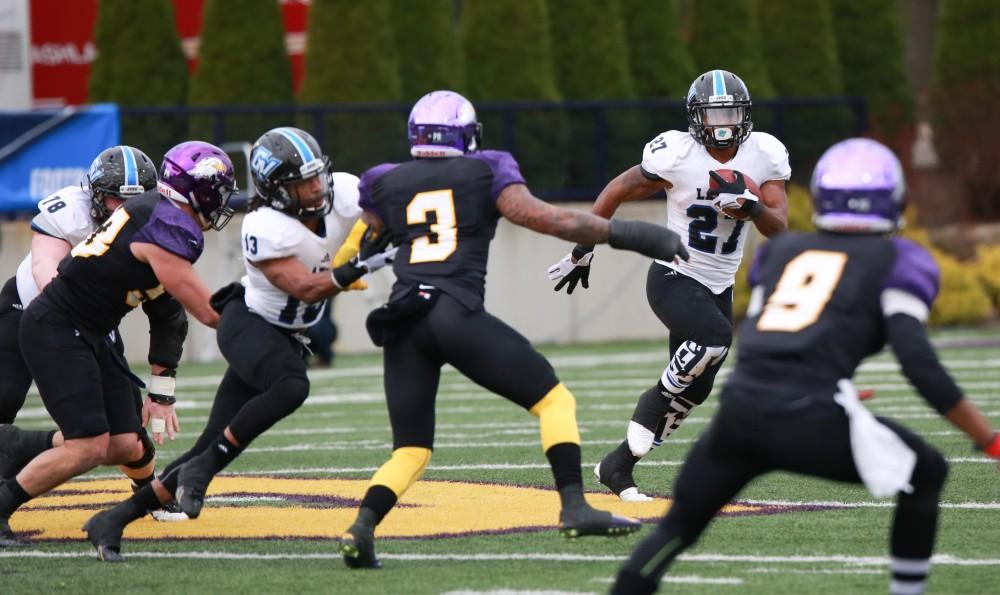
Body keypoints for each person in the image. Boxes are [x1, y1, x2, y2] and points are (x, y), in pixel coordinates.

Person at [609, 138, 1000, 595]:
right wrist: (988, 439)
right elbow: (919, 365)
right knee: (927, 471)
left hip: (740, 414)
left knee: (674, 532)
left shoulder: (783, 252)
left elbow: (772, 336)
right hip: (809, 417)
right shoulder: (900, 260)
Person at [337, 90, 691, 570]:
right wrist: (635, 235)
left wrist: (339, 269)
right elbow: (548, 218)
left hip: (403, 321)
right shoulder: (486, 168)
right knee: (555, 401)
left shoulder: (384, 180)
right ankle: (574, 506)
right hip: (455, 313)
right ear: (466, 135)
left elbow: (363, 239)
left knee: (411, 449)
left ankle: (361, 527)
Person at [82, 127, 395, 562]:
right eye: (301, 183)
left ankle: (111, 521)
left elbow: (387, 197)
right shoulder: (264, 226)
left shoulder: (342, 193)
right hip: (248, 324)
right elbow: (303, 287)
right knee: (291, 387)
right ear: (275, 189)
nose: (315, 188)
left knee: (205, 446)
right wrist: (357, 264)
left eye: (317, 177)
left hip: (288, 335)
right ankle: (204, 470)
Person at [549, 69, 791, 501]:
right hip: (674, 274)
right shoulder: (675, 153)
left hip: (719, 285)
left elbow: (780, 228)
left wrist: (752, 206)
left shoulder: (765, 153)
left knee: (696, 391)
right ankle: (652, 401)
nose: (722, 124)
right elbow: (615, 190)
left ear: (745, 114)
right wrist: (585, 246)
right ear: (696, 117)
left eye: (731, 113)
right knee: (715, 340)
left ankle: (617, 467)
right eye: (713, 114)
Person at [0, 141, 237, 548]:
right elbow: (46, 271)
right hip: (45, 314)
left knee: (126, 440)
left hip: (89, 325)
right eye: (111, 198)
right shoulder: (116, 218)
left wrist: (161, 392)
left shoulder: (154, 219)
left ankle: (140, 495)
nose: (116, 208)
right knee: (86, 443)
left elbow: (168, 312)